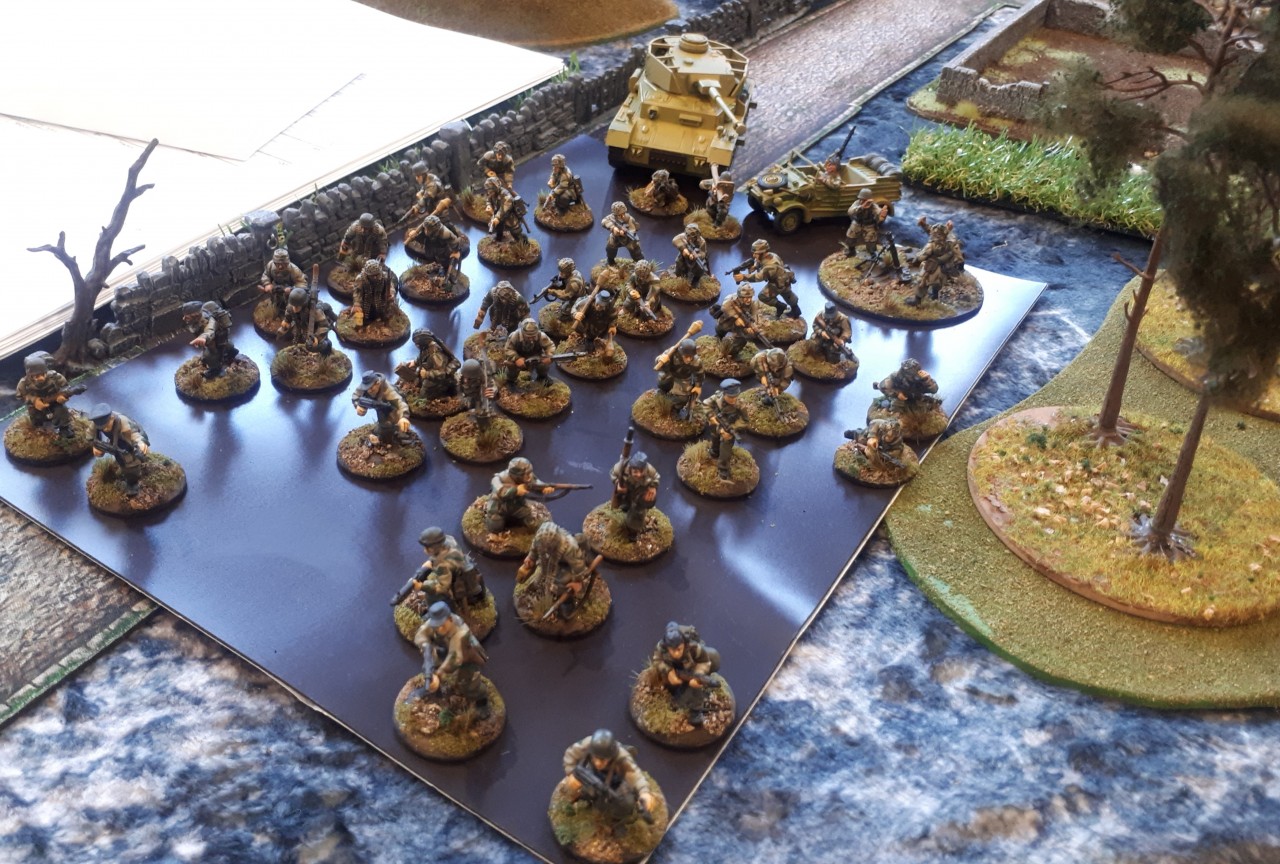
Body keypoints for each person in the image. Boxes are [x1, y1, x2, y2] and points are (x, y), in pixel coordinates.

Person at [560, 729, 657, 824]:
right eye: (595, 757)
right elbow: (570, 755)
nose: (597, 763)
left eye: (602, 760)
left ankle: (616, 821)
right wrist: (571, 773)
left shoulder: (622, 758)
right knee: (577, 788)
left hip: (615, 781)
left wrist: (644, 792)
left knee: (627, 803)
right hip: (592, 774)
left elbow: (636, 777)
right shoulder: (588, 744)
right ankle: (581, 802)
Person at [412, 602, 490, 716]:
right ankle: (437, 692)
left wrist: (439, 673)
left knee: (469, 684)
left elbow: (455, 657)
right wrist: (426, 646)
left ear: (450, 619)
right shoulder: (436, 623)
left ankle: (482, 702)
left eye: (442, 625)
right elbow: (420, 634)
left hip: (466, 658)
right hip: (445, 652)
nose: (439, 629)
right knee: (431, 665)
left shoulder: (461, 633)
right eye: (436, 625)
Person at [516, 520, 598, 621]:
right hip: (552, 560)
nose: (543, 546)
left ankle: (567, 603)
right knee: (542, 573)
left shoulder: (570, 546)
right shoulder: (540, 539)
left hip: (568, 564)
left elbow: (578, 566)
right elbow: (535, 548)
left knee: (562, 581)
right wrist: (531, 558)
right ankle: (541, 588)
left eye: (546, 546)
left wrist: (577, 582)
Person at [648, 622, 721, 726]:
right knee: (674, 691)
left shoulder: (693, 648)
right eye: (672, 650)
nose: (676, 653)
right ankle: (677, 700)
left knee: (694, 689)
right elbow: (657, 660)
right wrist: (668, 671)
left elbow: (704, 661)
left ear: (684, 644)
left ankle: (695, 712)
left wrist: (698, 674)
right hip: (673, 673)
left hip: (690, 671)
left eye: (679, 649)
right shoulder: (661, 647)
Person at [88, 403, 149, 496]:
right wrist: (95, 447)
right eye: (102, 427)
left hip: (127, 441)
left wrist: (141, 443)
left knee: (131, 464)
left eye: (107, 425)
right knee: (120, 459)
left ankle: (132, 483)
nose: (105, 429)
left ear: (112, 418)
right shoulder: (97, 423)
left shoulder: (124, 423)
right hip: (114, 442)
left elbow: (135, 434)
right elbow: (90, 435)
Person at [732, 238, 801, 319]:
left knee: (763, 296)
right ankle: (796, 310)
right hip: (785, 278)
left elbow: (758, 277)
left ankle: (780, 306)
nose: (753, 255)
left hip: (777, 283)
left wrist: (743, 277)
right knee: (787, 294)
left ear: (763, 253)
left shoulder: (770, 265)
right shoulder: (771, 255)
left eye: (756, 253)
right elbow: (761, 261)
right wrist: (755, 266)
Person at [484, 457, 553, 532]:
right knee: (495, 527)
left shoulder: (527, 477)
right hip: (498, 507)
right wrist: (516, 490)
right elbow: (501, 492)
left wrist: (543, 488)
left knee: (528, 516)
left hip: (517, 504)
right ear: (517, 475)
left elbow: (535, 483)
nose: (530, 476)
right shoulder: (497, 479)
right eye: (527, 474)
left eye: (530, 472)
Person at [16, 352, 77, 437]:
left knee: (61, 410)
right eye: (37, 376)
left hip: (55, 402)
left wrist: (62, 396)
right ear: (30, 375)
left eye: (43, 374)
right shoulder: (24, 383)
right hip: (36, 407)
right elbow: (21, 396)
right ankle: (39, 430)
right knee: (36, 417)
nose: (41, 378)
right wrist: (35, 401)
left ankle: (64, 429)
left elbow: (66, 387)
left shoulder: (55, 377)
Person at [908, 217, 965, 305]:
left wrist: (916, 258)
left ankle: (917, 300)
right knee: (937, 283)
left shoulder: (932, 245)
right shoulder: (950, 241)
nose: (932, 234)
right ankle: (935, 296)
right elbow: (957, 255)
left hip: (931, 267)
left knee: (922, 282)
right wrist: (924, 224)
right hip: (943, 269)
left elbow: (922, 256)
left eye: (935, 234)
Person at [351, 371, 412, 446]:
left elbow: (399, 402)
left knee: (392, 420)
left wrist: (404, 417)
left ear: (378, 383)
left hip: (390, 405)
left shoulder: (387, 389)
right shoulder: (364, 386)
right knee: (383, 423)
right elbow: (356, 395)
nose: (369, 391)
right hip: (378, 405)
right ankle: (381, 431)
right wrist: (357, 405)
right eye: (367, 388)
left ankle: (398, 433)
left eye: (371, 388)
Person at [181, 300, 238, 378]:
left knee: (208, 356)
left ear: (196, 316)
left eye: (187, 317)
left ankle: (216, 370)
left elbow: (210, 331)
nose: (183, 319)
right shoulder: (197, 320)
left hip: (215, 339)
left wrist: (203, 338)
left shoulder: (209, 321)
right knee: (227, 345)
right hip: (215, 339)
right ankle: (231, 351)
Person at [398, 328, 459, 399]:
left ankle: (443, 394)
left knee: (423, 396)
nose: (416, 345)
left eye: (417, 344)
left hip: (438, 380)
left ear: (423, 342)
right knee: (418, 381)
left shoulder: (435, 355)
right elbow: (423, 356)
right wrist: (415, 362)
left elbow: (441, 373)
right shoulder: (426, 348)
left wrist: (426, 374)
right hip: (429, 373)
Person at [703, 379, 744, 479]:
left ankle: (723, 468)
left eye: (735, 396)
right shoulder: (717, 398)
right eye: (730, 397)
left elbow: (745, 420)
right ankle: (714, 452)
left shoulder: (740, 405)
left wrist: (733, 428)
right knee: (715, 439)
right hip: (716, 426)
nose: (733, 399)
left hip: (729, 430)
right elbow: (705, 404)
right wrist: (711, 416)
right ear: (724, 393)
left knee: (725, 449)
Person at [610, 452, 659, 536]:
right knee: (625, 502)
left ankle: (634, 528)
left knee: (638, 509)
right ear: (630, 468)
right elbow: (612, 473)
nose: (639, 475)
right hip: (627, 489)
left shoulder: (650, 470)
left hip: (640, 490)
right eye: (635, 471)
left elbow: (656, 478)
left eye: (641, 471)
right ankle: (626, 508)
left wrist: (653, 486)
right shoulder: (621, 467)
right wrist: (617, 483)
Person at [655, 338, 704, 420]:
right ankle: (662, 392)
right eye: (686, 356)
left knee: (683, 398)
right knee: (663, 380)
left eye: (691, 356)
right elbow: (659, 363)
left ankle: (675, 409)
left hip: (683, 378)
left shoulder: (696, 361)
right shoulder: (671, 352)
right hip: (670, 374)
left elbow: (699, 374)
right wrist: (660, 359)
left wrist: (698, 386)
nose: (689, 359)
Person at [278, 287, 335, 355]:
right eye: (293, 306)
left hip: (315, 329)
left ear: (303, 304)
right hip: (301, 328)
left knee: (318, 345)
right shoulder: (292, 306)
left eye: (297, 306)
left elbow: (324, 325)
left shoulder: (315, 311)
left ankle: (325, 350)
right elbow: (289, 312)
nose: (294, 309)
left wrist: (317, 337)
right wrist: (286, 320)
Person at [715, 284, 765, 357]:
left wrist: (753, 327)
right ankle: (719, 337)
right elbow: (724, 307)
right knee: (721, 327)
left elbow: (755, 315)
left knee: (742, 339)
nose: (749, 300)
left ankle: (732, 353)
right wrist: (736, 317)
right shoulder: (732, 298)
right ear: (740, 296)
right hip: (729, 320)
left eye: (750, 297)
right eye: (746, 297)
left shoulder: (754, 303)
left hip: (743, 324)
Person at [503, 318, 556, 385]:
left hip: (536, 357)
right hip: (519, 357)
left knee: (543, 365)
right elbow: (508, 349)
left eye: (533, 336)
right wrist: (516, 358)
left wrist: (549, 355)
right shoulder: (514, 336)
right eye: (528, 337)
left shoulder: (541, 336)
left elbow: (550, 346)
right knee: (511, 367)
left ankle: (542, 378)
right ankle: (511, 381)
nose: (531, 339)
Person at [875, 359, 940, 410]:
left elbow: (934, 390)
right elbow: (883, 386)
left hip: (914, 395)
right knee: (897, 405)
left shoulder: (922, 377)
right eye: (911, 375)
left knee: (925, 404)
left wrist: (928, 380)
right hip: (901, 396)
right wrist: (897, 393)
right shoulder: (895, 376)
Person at [259, 248, 306, 317]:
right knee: (276, 302)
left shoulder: (294, 270)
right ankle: (277, 311)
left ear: (287, 262)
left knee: (290, 304)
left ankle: (289, 316)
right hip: (275, 288)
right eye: (277, 264)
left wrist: (292, 289)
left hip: (289, 290)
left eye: (283, 264)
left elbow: (302, 283)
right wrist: (267, 284)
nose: (280, 266)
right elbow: (266, 275)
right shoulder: (270, 265)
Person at [350, 259, 397, 328]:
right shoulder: (360, 279)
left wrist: (391, 293)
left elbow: (391, 287)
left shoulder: (385, 277)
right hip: (366, 302)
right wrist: (357, 304)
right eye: (372, 275)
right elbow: (357, 292)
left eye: (376, 275)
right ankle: (360, 326)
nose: (375, 277)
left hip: (381, 302)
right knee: (361, 315)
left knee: (386, 313)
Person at [843, 189, 887, 261]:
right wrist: (861, 207)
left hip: (869, 225)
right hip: (857, 223)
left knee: (871, 239)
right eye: (861, 199)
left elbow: (878, 212)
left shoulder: (873, 206)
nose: (862, 201)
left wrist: (882, 214)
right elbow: (850, 211)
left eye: (865, 200)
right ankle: (851, 250)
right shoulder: (857, 203)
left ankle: (873, 253)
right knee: (850, 236)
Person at [540, 258, 589, 323]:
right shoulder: (575, 272)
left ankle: (568, 318)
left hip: (578, 299)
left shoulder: (573, 283)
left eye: (562, 272)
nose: (560, 274)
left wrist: (552, 292)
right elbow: (565, 283)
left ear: (568, 272)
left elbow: (565, 296)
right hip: (577, 293)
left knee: (564, 309)